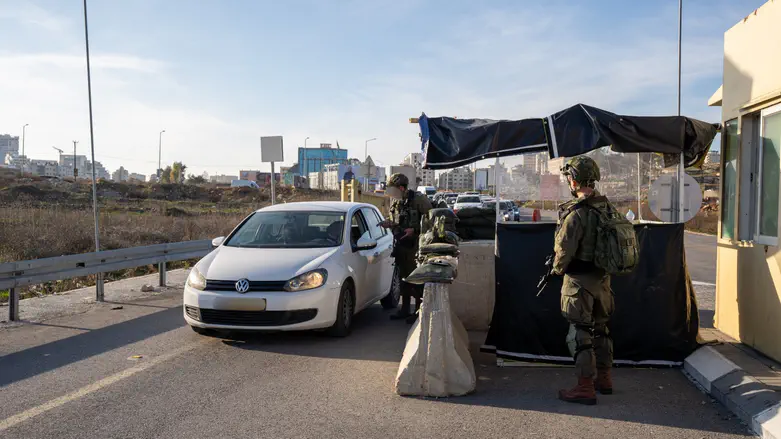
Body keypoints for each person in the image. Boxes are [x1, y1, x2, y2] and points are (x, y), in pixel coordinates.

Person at [552, 155, 614, 405]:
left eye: (569, 177)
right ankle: (605, 379)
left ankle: (585, 387)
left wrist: (557, 270)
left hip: (579, 282)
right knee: (602, 330)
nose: (568, 181)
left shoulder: (576, 213)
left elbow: (564, 250)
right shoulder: (607, 208)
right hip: (603, 281)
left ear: (574, 180)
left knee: (580, 333)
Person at [380, 173, 432, 323]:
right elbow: (397, 220)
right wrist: (389, 223)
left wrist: (414, 231)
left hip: (416, 246)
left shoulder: (419, 200)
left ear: (402, 188)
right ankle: (404, 309)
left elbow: (431, 221)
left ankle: (418, 311)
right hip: (401, 245)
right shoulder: (396, 203)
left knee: (417, 280)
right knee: (404, 279)